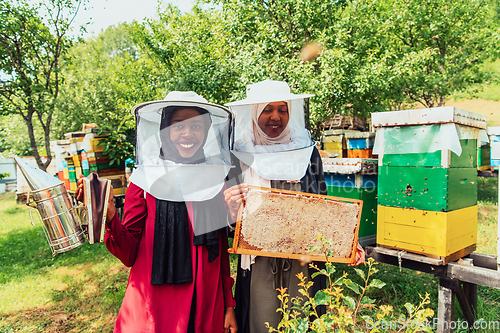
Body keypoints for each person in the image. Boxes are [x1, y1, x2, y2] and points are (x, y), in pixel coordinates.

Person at [77, 91, 237, 333]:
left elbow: (219, 251)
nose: (188, 133)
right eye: (178, 125)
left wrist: (228, 306)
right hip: (155, 306)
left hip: (205, 304)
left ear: (206, 131)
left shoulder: (215, 179)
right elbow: (128, 253)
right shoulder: (145, 180)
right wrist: (110, 215)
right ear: (164, 129)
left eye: (196, 126)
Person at [223, 80, 365, 333]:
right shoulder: (238, 157)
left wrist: (347, 242)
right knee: (261, 322)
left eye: (282, 109)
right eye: (267, 109)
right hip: (259, 261)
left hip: (302, 260)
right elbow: (229, 226)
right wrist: (233, 210)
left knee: (301, 321)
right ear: (254, 113)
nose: (276, 116)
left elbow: (321, 208)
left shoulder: (307, 153)